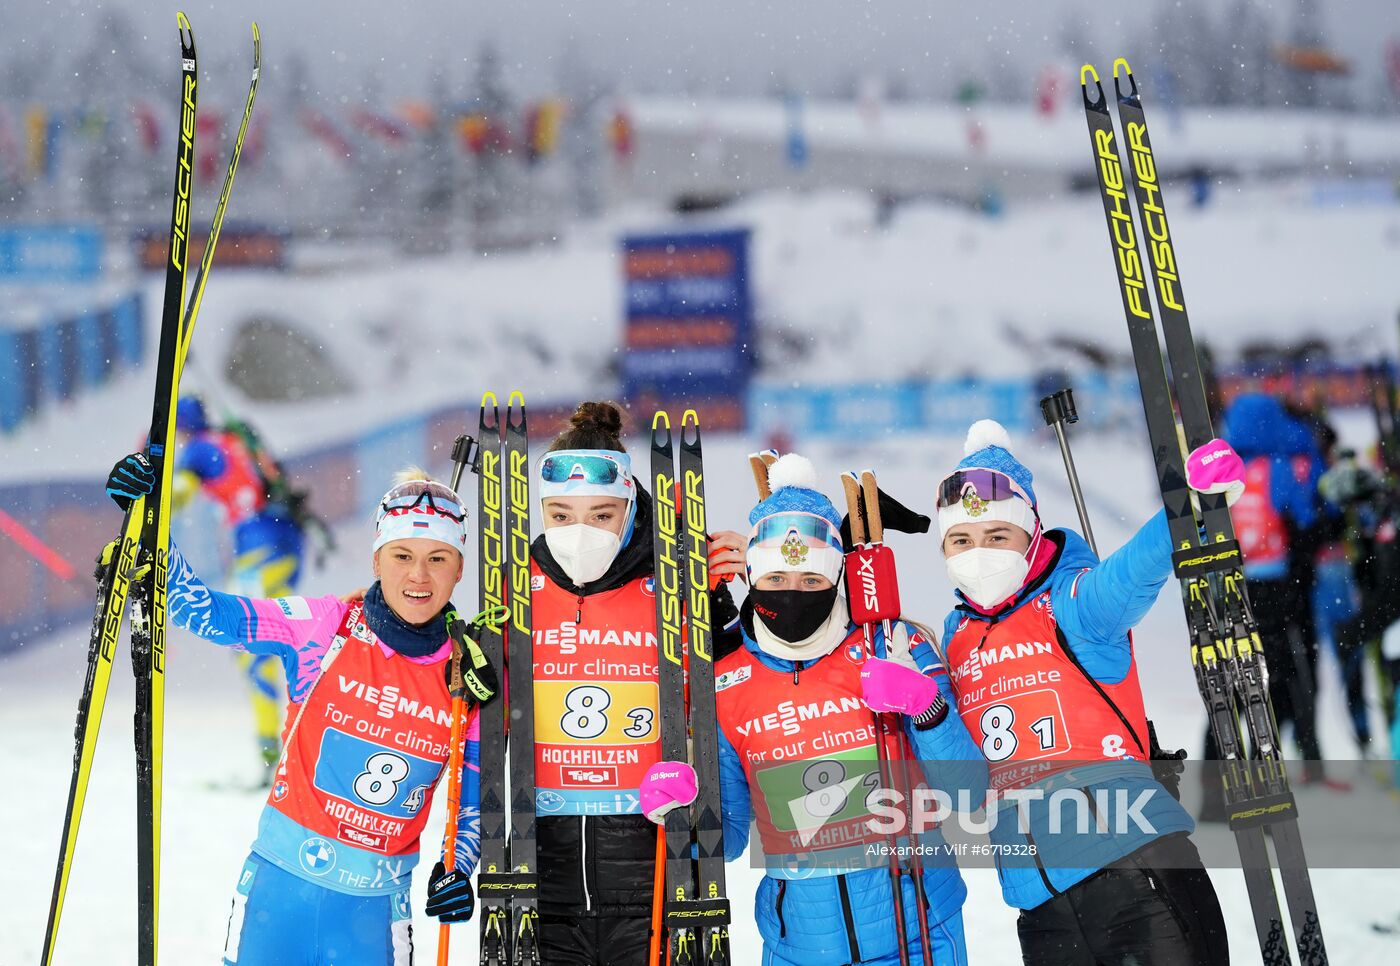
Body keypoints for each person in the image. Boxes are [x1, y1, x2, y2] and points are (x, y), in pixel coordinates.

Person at [104, 453, 496, 964]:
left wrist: (457, 870)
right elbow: (200, 609)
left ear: (459, 568)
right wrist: (148, 517)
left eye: (437, 558)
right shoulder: (324, 627)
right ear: (376, 560)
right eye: (402, 555)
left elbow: (471, 802)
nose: (418, 575)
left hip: (373, 914)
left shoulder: (466, 674)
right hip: (278, 894)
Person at [642, 453, 985, 966]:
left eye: (811, 581)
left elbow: (968, 792)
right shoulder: (727, 675)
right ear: (753, 579)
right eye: (777, 580)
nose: (794, 594)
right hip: (798, 945)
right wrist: (684, 812)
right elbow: (730, 837)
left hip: (918, 934)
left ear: (838, 579)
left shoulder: (894, 644)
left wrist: (926, 706)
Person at [932, 420, 1229, 966]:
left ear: (1031, 535)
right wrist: (926, 707)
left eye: (998, 536)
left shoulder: (1074, 603)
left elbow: (1134, 571)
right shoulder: (955, 639)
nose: (979, 553)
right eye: (961, 540)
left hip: (1138, 877)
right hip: (1040, 910)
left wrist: (1188, 506)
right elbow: (964, 785)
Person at [526, 401, 745, 965]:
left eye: (602, 515)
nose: (580, 533)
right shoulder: (515, 593)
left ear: (630, 508)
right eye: (561, 515)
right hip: (543, 879)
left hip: (651, 871)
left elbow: (736, 690)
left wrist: (729, 604)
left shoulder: (671, 588)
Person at [172, 394, 317, 777]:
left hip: (258, 549)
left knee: (248, 641)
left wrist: (148, 501)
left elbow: (180, 494)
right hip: (288, 541)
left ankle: (274, 753)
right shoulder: (233, 439)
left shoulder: (198, 450)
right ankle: (304, 743)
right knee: (291, 635)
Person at [1221, 393, 1345, 788]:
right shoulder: (1281, 466)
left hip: (1234, 588)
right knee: (1290, 673)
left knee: (1234, 679)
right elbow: (1310, 519)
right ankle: (1295, 763)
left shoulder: (1224, 471)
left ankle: (1218, 776)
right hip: (1283, 585)